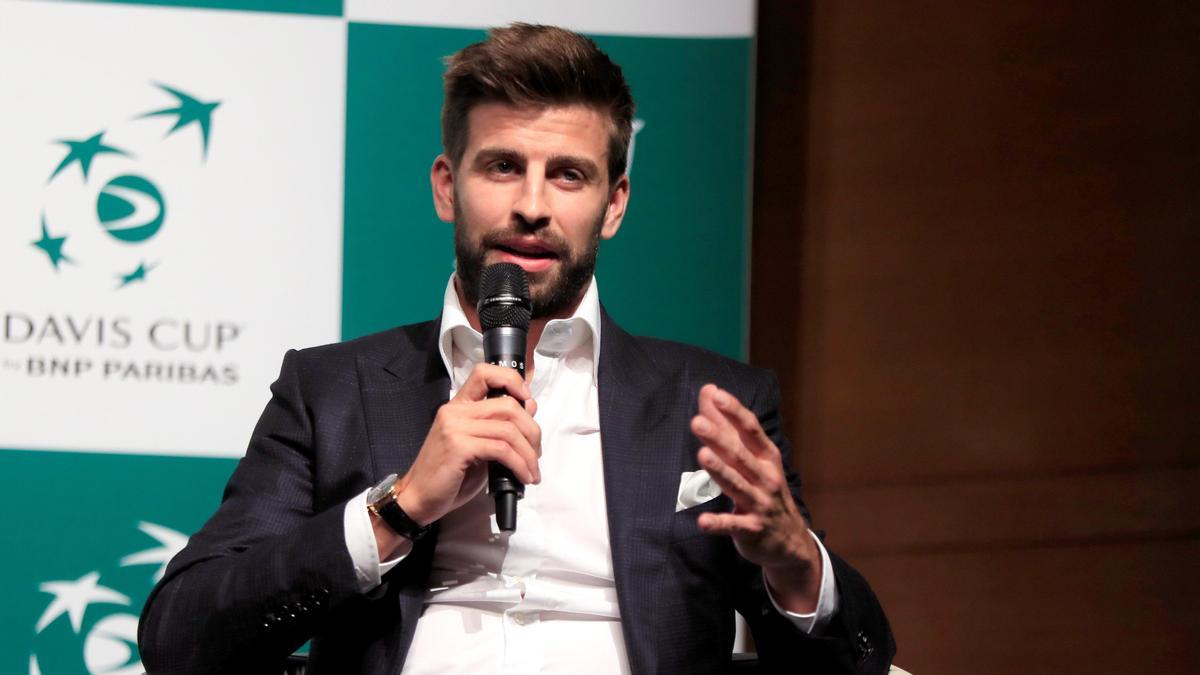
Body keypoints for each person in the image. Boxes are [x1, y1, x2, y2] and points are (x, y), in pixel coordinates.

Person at [138, 23, 894, 675]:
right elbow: (180, 638)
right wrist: (397, 510)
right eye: (503, 166)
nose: (532, 206)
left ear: (615, 205)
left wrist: (797, 563)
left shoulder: (710, 400)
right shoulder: (332, 389)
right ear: (447, 186)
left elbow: (854, 661)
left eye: (569, 175)